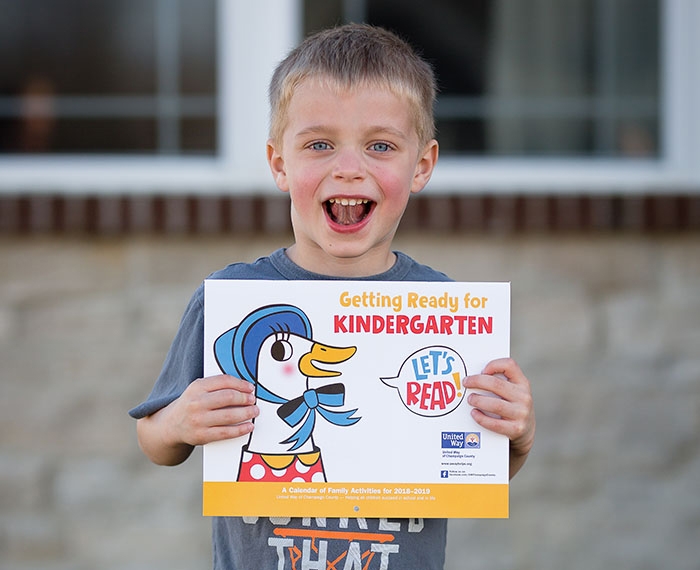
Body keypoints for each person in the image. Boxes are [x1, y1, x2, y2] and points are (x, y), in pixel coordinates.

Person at [130, 23, 535, 570]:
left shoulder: (443, 309)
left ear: (422, 166)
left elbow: (471, 463)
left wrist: (517, 437)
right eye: (320, 144)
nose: (349, 167)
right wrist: (178, 423)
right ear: (279, 163)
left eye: (380, 145)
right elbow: (154, 439)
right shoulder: (231, 297)